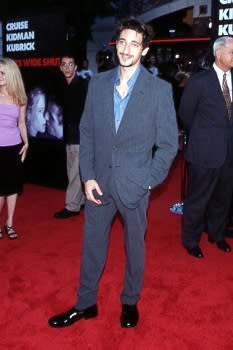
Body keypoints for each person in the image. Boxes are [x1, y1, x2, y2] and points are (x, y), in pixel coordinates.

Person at [48, 17, 178, 329]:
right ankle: (85, 304)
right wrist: (88, 175)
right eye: (122, 41)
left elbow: (169, 145)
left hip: (135, 185)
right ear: (115, 44)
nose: (127, 48)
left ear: (144, 50)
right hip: (98, 183)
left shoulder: (159, 90)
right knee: (92, 245)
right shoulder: (98, 83)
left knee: (135, 247)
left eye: (135, 43)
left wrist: (147, 180)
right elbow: (88, 132)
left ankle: (130, 301)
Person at [179, 36, 233, 258]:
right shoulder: (199, 81)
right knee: (197, 199)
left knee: (223, 198)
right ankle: (191, 239)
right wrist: (204, 137)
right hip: (204, 153)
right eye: (232, 51)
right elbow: (185, 115)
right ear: (219, 53)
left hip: (229, 153)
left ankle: (217, 234)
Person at [54, 54, 88, 219]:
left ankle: (72, 206)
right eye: (64, 64)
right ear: (61, 68)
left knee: (74, 171)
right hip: (68, 134)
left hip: (80, 134)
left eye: (70, 64)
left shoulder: (83, 85)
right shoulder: (62, 86)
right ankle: (80, 200)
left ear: (76, 67)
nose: (67, 67)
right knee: (73, 169)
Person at [0, 57, 28, 239]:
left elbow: (22, 123)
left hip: (14, 147)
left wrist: (26, 143)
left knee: (12, 189)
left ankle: (9, 222)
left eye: (2, 73)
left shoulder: (20, 97)